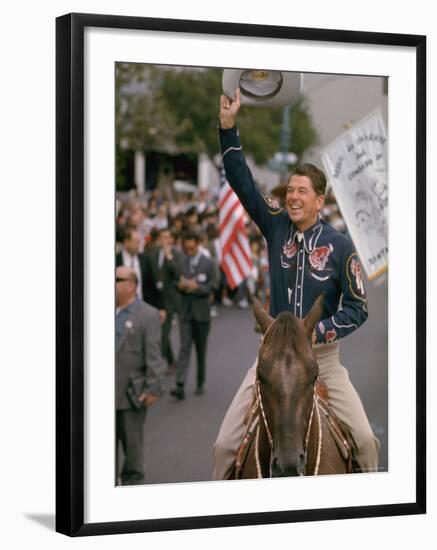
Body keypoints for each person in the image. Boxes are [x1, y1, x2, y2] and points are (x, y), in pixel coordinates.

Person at [212, 88, 380, 479]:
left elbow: (360, 307)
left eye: (302, 191)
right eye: (289, 190)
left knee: (367, 442)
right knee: (222, 448)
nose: (293, 196)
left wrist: (319, 330)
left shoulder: (341, 247)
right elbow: (242, 182)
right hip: (270, 359)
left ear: (320, 200)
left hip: (322, 361)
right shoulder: (275, 225)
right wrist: (228, 126)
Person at [115, 266, 166, 485]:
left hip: (130, 396)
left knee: (132, 455)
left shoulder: (147, 315)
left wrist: (153, 388)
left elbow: (154, 355)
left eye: (117, 279)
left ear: (131, 286)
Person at [170, 231, 215, 399]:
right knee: (184, 348)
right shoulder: (181, 261)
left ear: (198, 244)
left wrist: (197, 287)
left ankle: (200, 381)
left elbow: (213, 286)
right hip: (186, 313)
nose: (189, 250)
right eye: (186, 247)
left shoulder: (208, 263)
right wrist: (181, 285)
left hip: (202, 314)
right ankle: (179, 384)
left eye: (192, 247)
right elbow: (174, 281)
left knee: (200, 350)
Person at [148, 228, 183, 373]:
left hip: (170, 300)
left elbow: (178, 273)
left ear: (172, 239)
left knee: (164, 332)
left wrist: (169, 257)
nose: (165, 240)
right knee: (161, 332)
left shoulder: (176, 254)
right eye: (162, 237)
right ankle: (171, 361)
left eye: (167, 237)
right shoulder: (154, 254)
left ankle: (155, 365)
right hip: (156, 298)